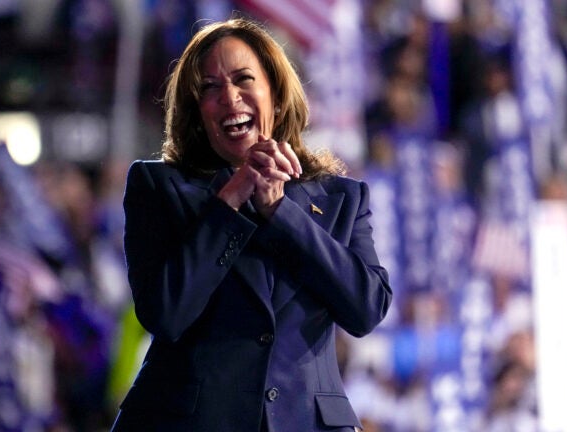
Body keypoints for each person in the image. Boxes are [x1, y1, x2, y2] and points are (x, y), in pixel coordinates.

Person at [110, 18, 392, 432]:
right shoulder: (159, 188)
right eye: (209, 88)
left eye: (243, 79)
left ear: (275, 96)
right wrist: (231, 200)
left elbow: (366, 309)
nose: (229, 97)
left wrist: (281, 213)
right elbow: (166, 314)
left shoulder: (341, 199)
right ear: (197, 112)